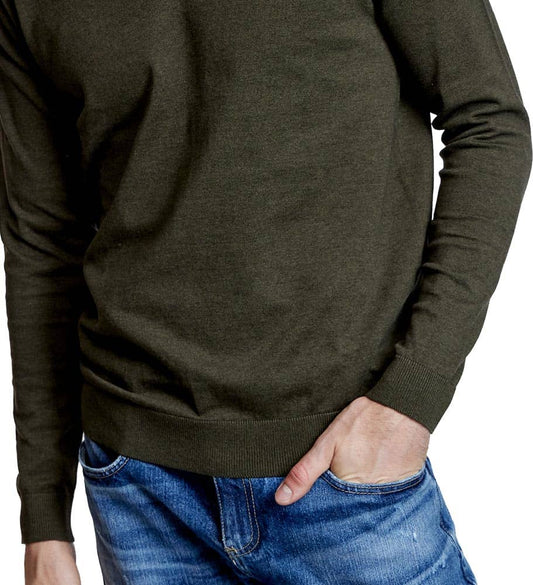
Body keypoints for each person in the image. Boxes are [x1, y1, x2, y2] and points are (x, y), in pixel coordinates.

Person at [0, 0, 530, 583]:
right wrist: (44, 519)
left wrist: (411, 396)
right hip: (139, 491)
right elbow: (42, 241)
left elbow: (489, 120)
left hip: (343, 469)